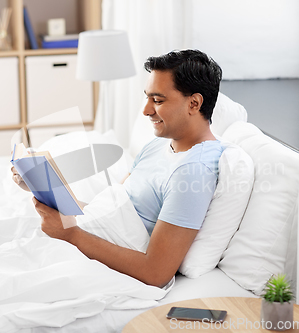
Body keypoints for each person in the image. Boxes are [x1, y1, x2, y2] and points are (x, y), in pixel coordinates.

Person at [12, 49, 224, 288]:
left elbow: (156, 272)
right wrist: (40, 185)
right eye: (147, 98)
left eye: (158, 100)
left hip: (90, 259)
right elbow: (109, 213)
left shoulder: (193, 171)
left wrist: (70, 235)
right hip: (83, 238)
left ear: (194, 103)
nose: (145, 110)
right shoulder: (157, 146)